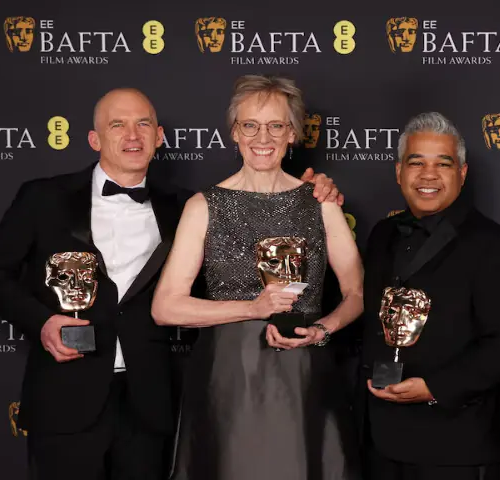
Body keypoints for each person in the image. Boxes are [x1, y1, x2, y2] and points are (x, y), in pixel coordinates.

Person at [0, 87, 342, 480]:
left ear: (159, 136)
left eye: (143, 123)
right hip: (66, 395)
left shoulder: (187, 205)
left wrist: (315, 190)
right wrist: (42, 321)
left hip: (149, 398)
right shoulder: (43, 197)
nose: (133, 135)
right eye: (118, 125)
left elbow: (258, 214)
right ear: (95, 139)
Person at [151, 74, 364, 480]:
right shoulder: (204, 206)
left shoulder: (321, 202)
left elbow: (356, 292)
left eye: (276, 125)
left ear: (293, 134)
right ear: (234, 132)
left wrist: (323, 328)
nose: (261, 136)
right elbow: (165, 307)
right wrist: (252, 307)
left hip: (303, 376)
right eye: (250, 125)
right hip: (228, 379)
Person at [357, 112, 500, 480]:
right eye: (416, 162)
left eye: (443, 163)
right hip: (379, 442)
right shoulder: (382, 234)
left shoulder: (496, 247)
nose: (428, 175)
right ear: (398, 172)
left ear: (462, 173)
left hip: (455, 447)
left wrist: (435, 388)